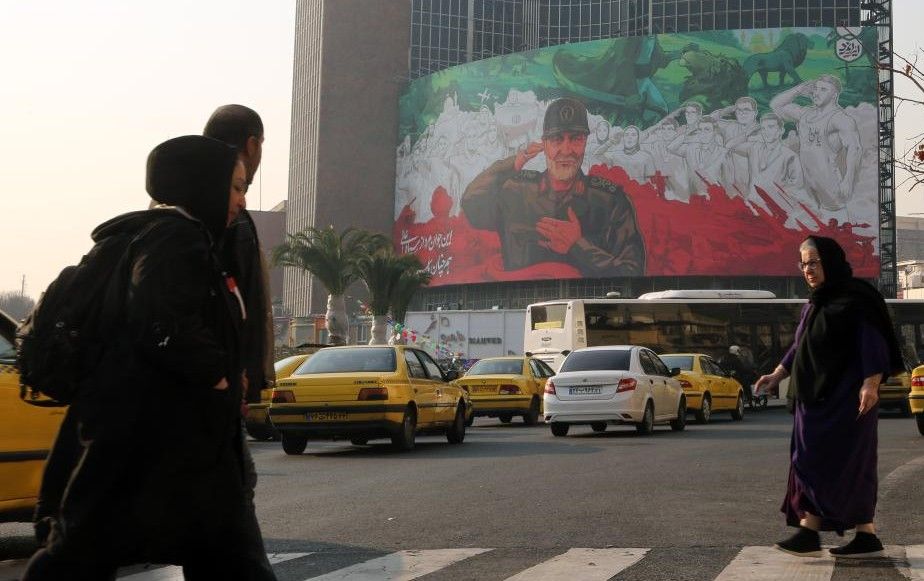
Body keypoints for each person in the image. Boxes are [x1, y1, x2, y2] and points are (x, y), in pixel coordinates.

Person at [22, 136, 276, 580]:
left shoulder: (143, 234)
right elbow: (158, 317)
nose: (241, 199)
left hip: (162, 439)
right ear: (203, 185)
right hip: (155, 437)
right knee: (78, 553)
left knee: (225, 554)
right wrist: (215, 373)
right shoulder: (176, 236)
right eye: (234, 187)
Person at [754, 236, 904, 559]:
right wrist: (777, 374)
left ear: (831, 262)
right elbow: (801, 346)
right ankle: (809, 531)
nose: (808, 269)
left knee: (851, 465)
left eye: (814, 262)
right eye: (804, 263)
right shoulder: (815, 303)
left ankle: (866, 535)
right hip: (813, 402)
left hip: (846, 403)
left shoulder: (856, 299)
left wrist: (871, 383)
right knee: (808, 463)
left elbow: (872, 342)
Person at [461, 96, 645, 277]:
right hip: (519, 304)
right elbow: (471, 204)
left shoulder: (609, 201)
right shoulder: (516, 190)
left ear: (585, 142)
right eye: (557, 139)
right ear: (545, 144)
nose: (566, 150)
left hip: (587, 305)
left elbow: (632, 271)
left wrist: (578, 246)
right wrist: (515, 162)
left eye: (575, 139)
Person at [770, 75, 862, 212]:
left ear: (834, 95)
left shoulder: (840, 118)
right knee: (807, 222)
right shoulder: (805, 113)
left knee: (834, 222)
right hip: (805, 180)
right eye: (816, 89)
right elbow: (776, 105)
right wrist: (799, 90)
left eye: (823, 89)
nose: (816, 93)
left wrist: (848, 180)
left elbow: (854, 148)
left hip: (828, 181)